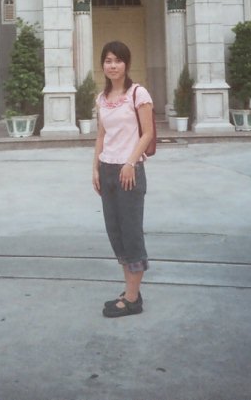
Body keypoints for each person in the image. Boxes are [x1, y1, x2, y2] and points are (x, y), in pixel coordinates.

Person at [92, 40, 154, 318]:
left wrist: (130, 163)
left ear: (126, 64)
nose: (112, 65)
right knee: (115, 232)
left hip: (129, 171)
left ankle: (132, 300)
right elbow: (101, 135)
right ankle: (131, 290)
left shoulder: (138, 94)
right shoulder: (102, 98)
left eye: (117, 60)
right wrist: (95, 168)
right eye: (108, 61)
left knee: (131, 233)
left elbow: (147, 133)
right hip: (107, 169)